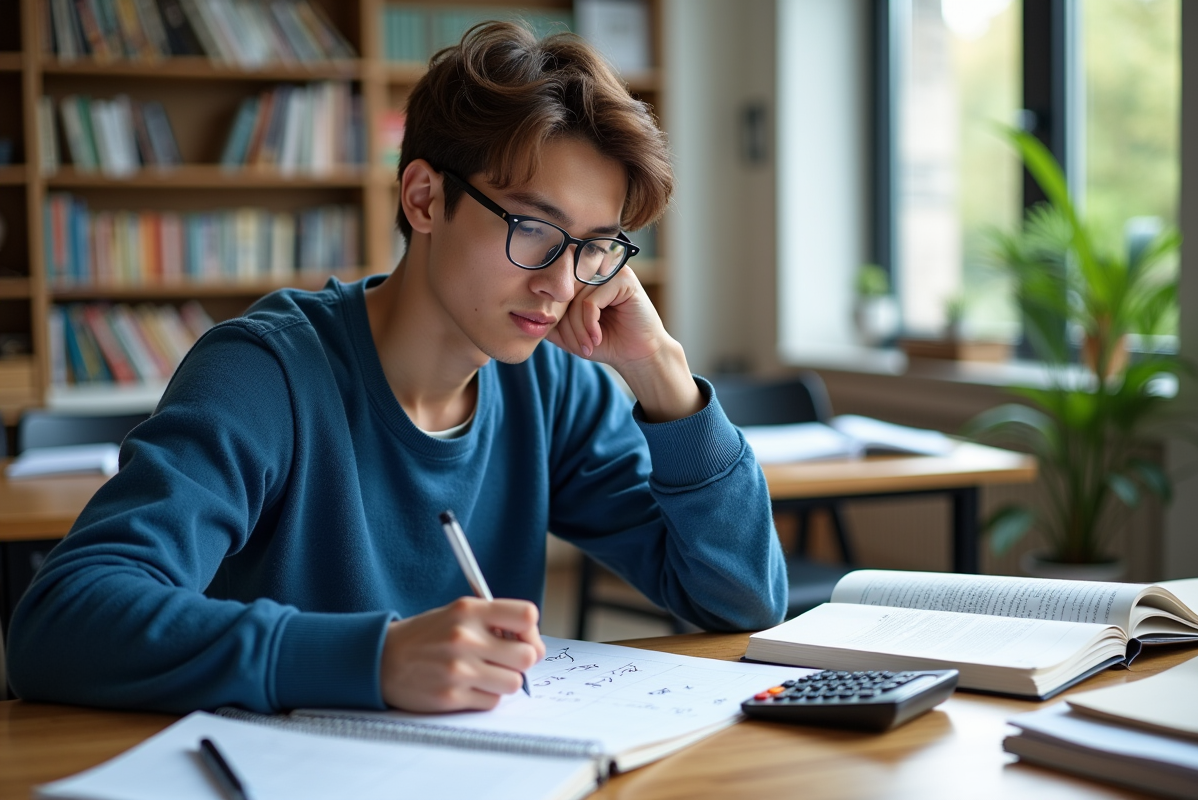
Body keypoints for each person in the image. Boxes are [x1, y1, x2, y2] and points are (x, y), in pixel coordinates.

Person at [8, 22, 787, 715]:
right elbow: (63, 623)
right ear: (423, 198)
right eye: (532, 228)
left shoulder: (552, 386)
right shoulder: (267, 372)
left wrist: (663, 379)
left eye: (594, 247)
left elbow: (740, 598)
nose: (561, 281)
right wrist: (372, 659)